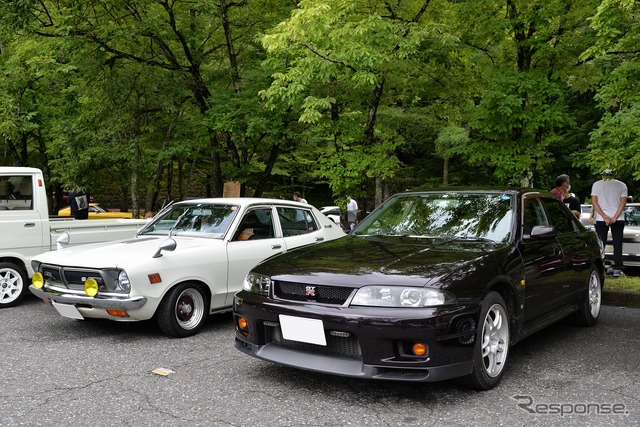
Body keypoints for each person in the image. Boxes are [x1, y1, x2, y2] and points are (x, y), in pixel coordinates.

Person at [591, 168, 628, 276]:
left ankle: (600, 267)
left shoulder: (596, 185)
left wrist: (604, 216)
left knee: (601, 244)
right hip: (618, 218)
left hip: (601, 219)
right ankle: (617, 268)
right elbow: (623, 202)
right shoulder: (622, 185)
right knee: (617, 243)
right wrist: (615, 217)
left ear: (603, 174)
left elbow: (594, 202)